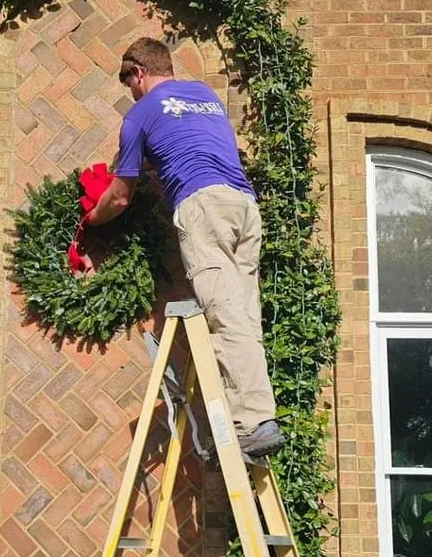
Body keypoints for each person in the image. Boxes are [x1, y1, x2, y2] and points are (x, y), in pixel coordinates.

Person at [83, 36, 285, 458]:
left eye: (127, 81)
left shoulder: (139, 114)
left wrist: (89, 221)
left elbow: (121, 196)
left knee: (223, 315)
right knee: (244, 314)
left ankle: (250, 425)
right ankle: (250, 415)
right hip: (243, 206)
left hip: (202, 206)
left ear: (138, 71)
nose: (129, 91)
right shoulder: (205, 96)